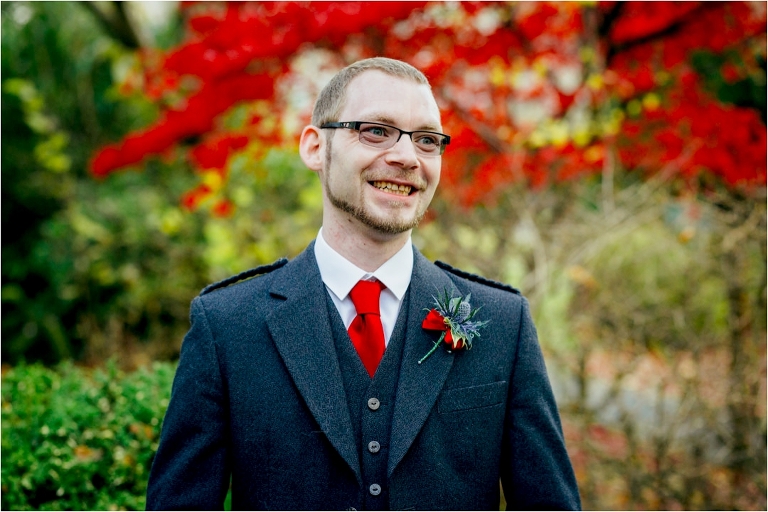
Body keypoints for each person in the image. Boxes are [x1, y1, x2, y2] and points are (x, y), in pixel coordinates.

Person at [146, 57, 581, 511]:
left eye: (427, 140)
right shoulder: (227, 326)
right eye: (376, 131)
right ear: (315, 147)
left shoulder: (501, 324)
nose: (407, 157)